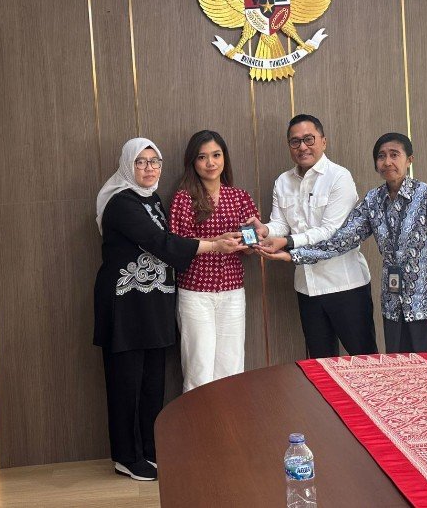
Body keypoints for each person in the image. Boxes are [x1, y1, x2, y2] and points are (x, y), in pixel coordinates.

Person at [93, 138, 245, 482]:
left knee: (152, 382)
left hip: (155, 304)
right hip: (125, 306)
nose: (149, 169)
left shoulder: (153, 200)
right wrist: (214, 245)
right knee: (125, 383)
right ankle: (126, 456)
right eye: (141, 162)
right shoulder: (121, 202)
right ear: (127, 165)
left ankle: (150, 450)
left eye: (155, 162)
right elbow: (160, 243)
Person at [257, 133, 427, 354]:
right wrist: (293, 254)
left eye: (394, 155)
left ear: (409, 160)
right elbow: (341, 241)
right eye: (381, 156)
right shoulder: (373, 200)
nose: (387, 162)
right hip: (394, 305)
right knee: (401, 369)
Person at [248, 114, 379, 358]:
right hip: (307, 287)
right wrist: (265, 230)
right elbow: (280, 224)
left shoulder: (339, 177)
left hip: (345, 285)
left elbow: (331, 232)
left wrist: (288, 242)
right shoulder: (283, 181)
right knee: (320, 363)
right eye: (295, 141)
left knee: (365, 360)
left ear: (323, 141)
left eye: (309, 139)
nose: (302, 147)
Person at [168, 130, 259, 391]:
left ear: (224, 158)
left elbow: (251, 244)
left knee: (232, 367)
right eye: (202, 157)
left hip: (232, 291)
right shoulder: (184, 198)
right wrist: (215, 243)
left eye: (216, 155)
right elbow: (176, 245)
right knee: (199, 368)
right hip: (196, 292)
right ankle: (198, 419)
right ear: (193, 162)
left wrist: (251, 243)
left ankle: (229, 418)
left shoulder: (240, 196)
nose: (211, 163)